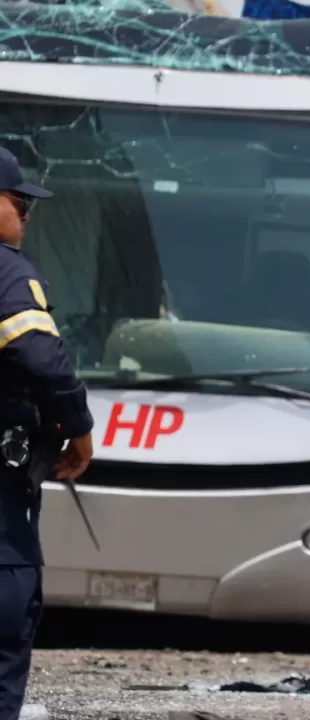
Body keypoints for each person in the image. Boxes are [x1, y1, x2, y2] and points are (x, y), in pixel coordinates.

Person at [1, 147, 95, 720]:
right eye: (20, 205)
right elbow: (38, 352)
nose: (27, 219)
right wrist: (79, 428)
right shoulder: (6, 271)